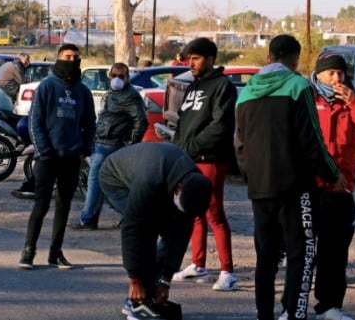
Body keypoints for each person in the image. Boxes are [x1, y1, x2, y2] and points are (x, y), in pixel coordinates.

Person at [234, 34, 347, 320]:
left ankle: (264, 316)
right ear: (295, 59)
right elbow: (312, 139)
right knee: (301, 255)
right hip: (296, 188)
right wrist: (332, 173)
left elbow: (239, 144)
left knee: (266, 258)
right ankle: (295, 316)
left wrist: (251, 175)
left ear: (269, 57)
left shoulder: (246, 92)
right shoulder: (299, 86)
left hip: (259, 188)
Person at [295, 52, 355, 320]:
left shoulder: (353, 101)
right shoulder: (305, 98)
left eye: (341, 73)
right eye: (331, 73)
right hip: (308, 191)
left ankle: (329, 307)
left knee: (334, 255)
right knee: (302, 253)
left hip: (340, 192)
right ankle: (292, 306)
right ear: (318, 74)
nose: (337, 78)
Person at [98, 142, 213, 320]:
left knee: (170, 230)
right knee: (146, 228)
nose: (184, 212)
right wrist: (134, 278)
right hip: (115, 178)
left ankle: (149, 293)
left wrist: (165, 279)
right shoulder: (150, 179)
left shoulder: (193, 187)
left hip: (157, 179)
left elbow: (180, 236)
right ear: (178, 188)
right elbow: (132, 228)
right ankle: (135, 303)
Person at [18, 43, 96, 270]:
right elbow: (35, 121)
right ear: (59, 58)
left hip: (71, 157)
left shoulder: (83, 91)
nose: (71, 60)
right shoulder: (47, 87)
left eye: (75, 57)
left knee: (64, 205)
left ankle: (55, 252)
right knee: (41, 205)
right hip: (47, 157)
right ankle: (28, 251)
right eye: (67, 56)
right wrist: (44, 150)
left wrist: (84, 149)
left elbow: (90, 123)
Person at [171, 37, 238, 291]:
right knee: (193, 212)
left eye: (196, 58)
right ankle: (198, 265)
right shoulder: (193, 86)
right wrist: (179, 150)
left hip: (210, 160)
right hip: (187, 160)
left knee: (214, 214)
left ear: (210, 59)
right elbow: (183, 122)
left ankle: (228, 272)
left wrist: (192, 147)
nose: (191, 63)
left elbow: (220, 126)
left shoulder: (223, 86)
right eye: (189, 58)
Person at [67, 62, 148, 226]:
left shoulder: (130, 95)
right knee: (110, 183)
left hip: (112, 144)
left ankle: (88, 219)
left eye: (121, 76)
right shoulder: (113, 93)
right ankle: (128, 216)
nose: (117, 79)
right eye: (114, 75)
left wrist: (130, 144)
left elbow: (141, 121)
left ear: (127, 78)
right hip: (103, 142)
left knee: (95, 181)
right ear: (109, 76)